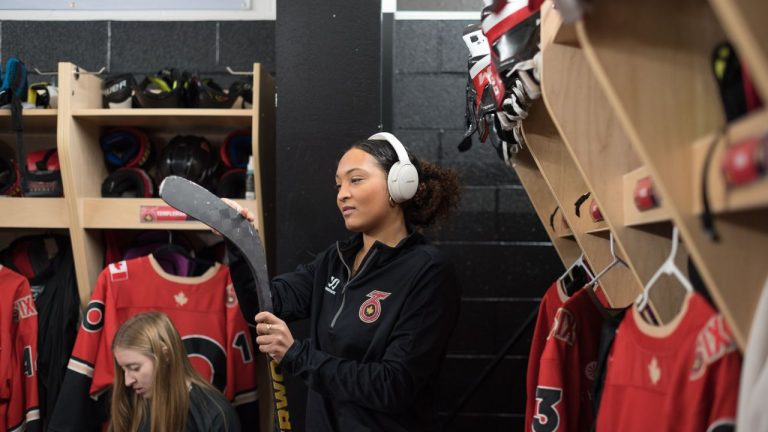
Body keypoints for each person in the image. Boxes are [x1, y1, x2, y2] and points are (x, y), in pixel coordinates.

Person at [226, 132, 462, 431]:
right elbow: (264, 305)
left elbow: (393, 386)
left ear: (400, 185)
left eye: (356, 180)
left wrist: (298, 355)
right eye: (339, 185)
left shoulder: (428, 272)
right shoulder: (334, 260)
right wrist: (239, 245)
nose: (342, 194)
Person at [109, 312, 241, 432]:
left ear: (166, 355)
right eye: (123, 370)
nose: (127, 381)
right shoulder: (131, 405)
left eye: (135, 368)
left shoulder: (214, 414)